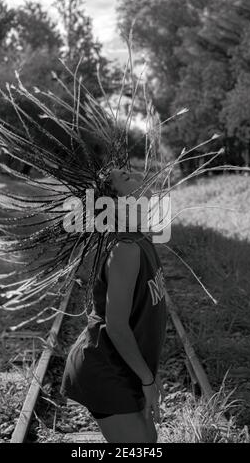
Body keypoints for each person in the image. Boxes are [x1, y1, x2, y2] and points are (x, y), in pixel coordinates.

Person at [60, 168, 168, 443]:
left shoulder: (141, 237)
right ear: (118, 204)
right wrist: (147, 380)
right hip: (105, 367)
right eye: (127, 178)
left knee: (148, 442)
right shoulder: (125, 250)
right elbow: (117, 326)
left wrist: (147, 375)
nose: (139, 177)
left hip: (125, 367)